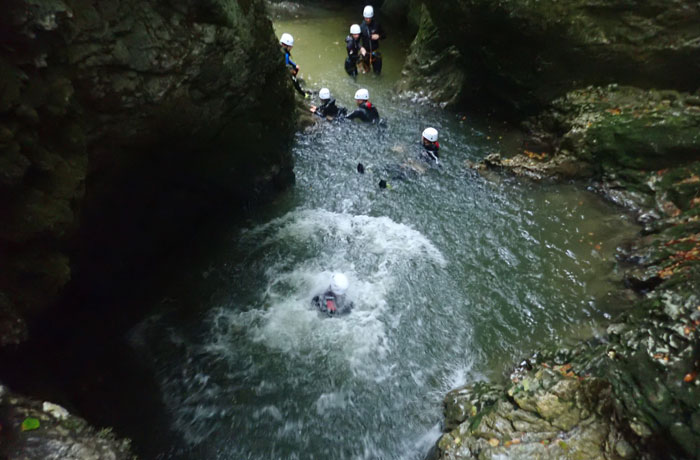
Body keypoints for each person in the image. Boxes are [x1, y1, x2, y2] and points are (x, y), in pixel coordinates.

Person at [359, 5, 386, 75]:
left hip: (375, 53)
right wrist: (361, 48)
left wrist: (379, 36)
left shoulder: (376, 25)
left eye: (369, 18)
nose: (367, 20)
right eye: (366, 18)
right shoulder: (361, 27)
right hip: (366, 54)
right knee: (365, 73)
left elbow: (384, 35)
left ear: (372, 17)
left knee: (377, 73)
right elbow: (355, 41)